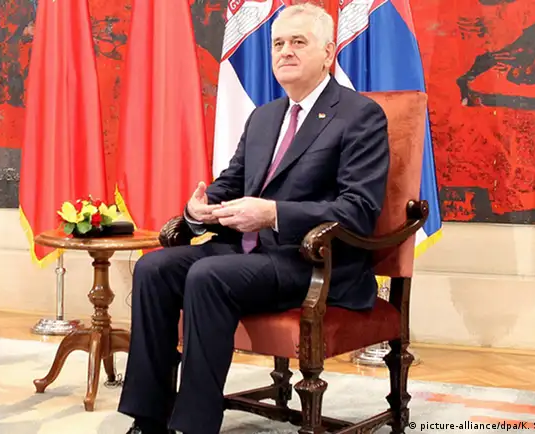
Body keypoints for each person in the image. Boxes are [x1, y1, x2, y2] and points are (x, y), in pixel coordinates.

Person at [117, 4, 390, 434]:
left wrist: (273, 214)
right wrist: (198, 210)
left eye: (298, 42)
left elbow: (358, 210)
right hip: (245, 252)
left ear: (328, 52)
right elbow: (230, 183)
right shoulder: (264, 116)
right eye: (278, 43)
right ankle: (148, 418)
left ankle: (194, 425)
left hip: (310, 261)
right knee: (154, 268)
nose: (285, 51)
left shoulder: (359, 115)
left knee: (208, 275)